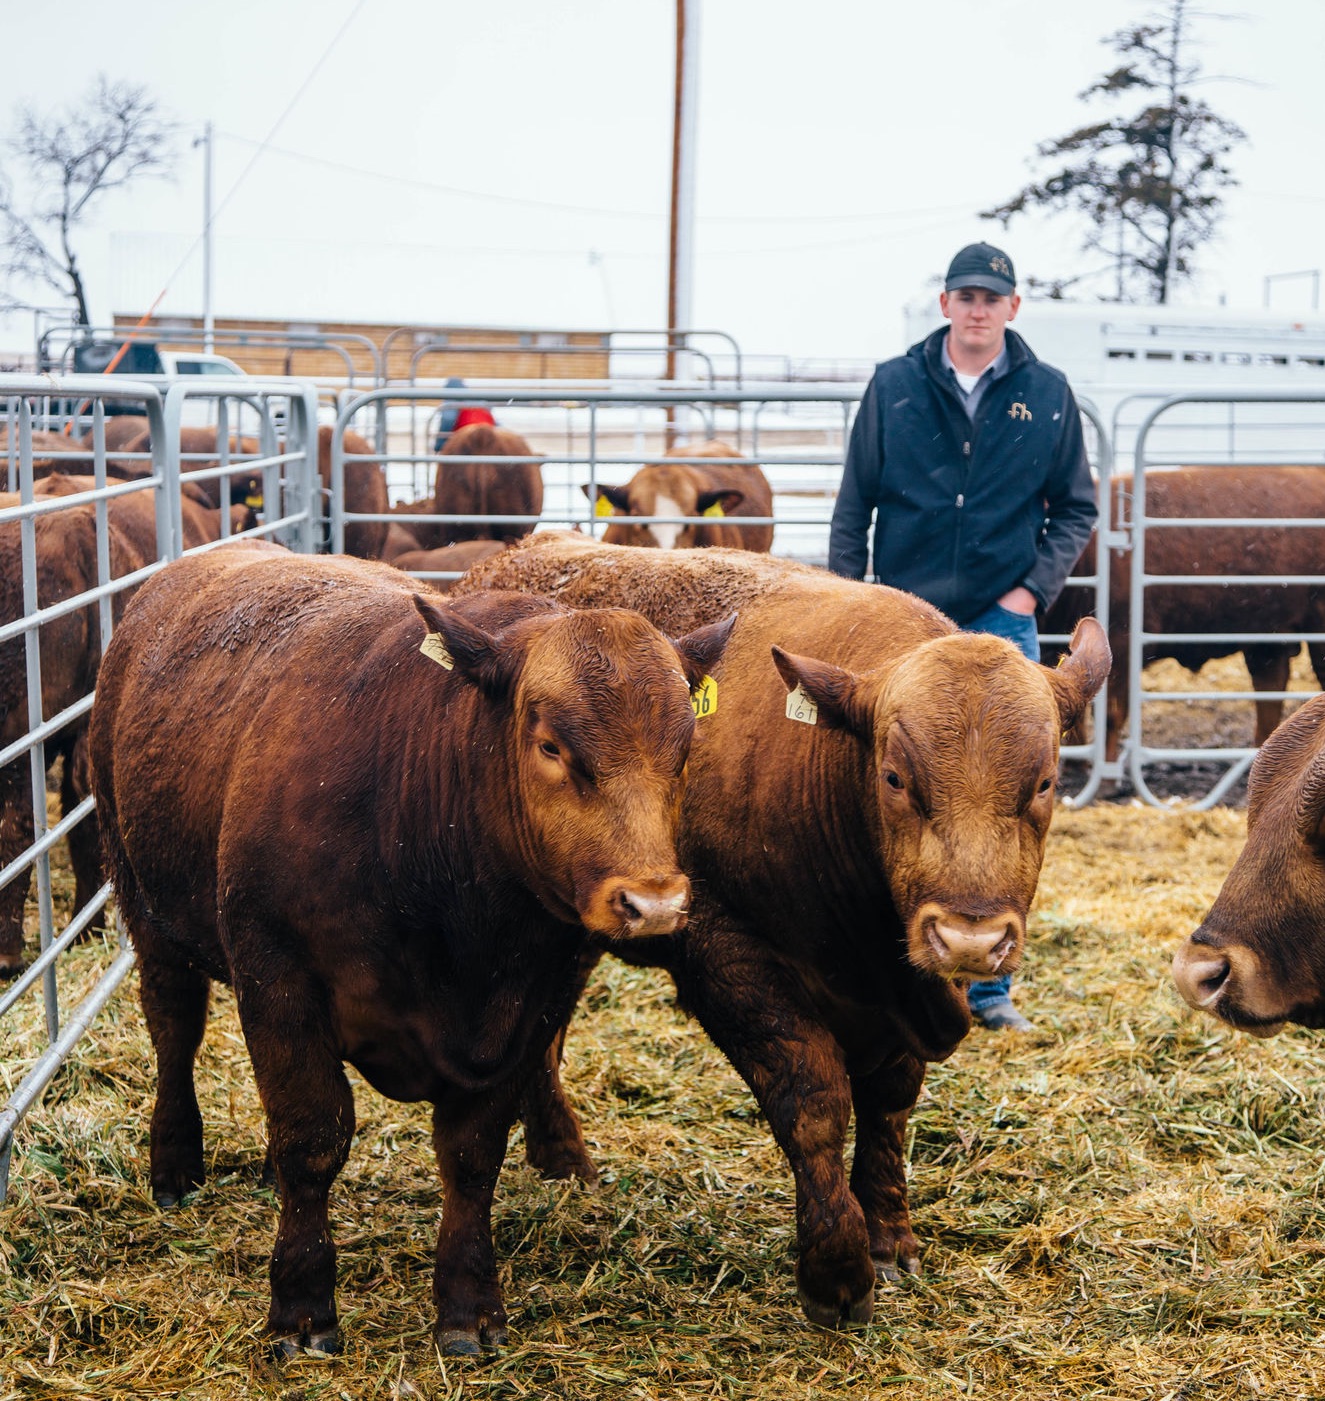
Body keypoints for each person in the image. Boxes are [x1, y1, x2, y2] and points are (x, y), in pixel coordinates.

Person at [828, 241, 1097, 1032]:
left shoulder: (1046, 393)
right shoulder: (894, 385)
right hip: (900, 624)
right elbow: (855, 504)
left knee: (1003, 805)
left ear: (1013, 309)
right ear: (943, 304)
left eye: (992, 297)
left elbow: (1073, 507)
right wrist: (850, 601)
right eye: (964, 295)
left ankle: (988, 987)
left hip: (999, 619)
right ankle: (891, 969)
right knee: (899, 799)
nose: (977, 309)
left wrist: (1031, 587)